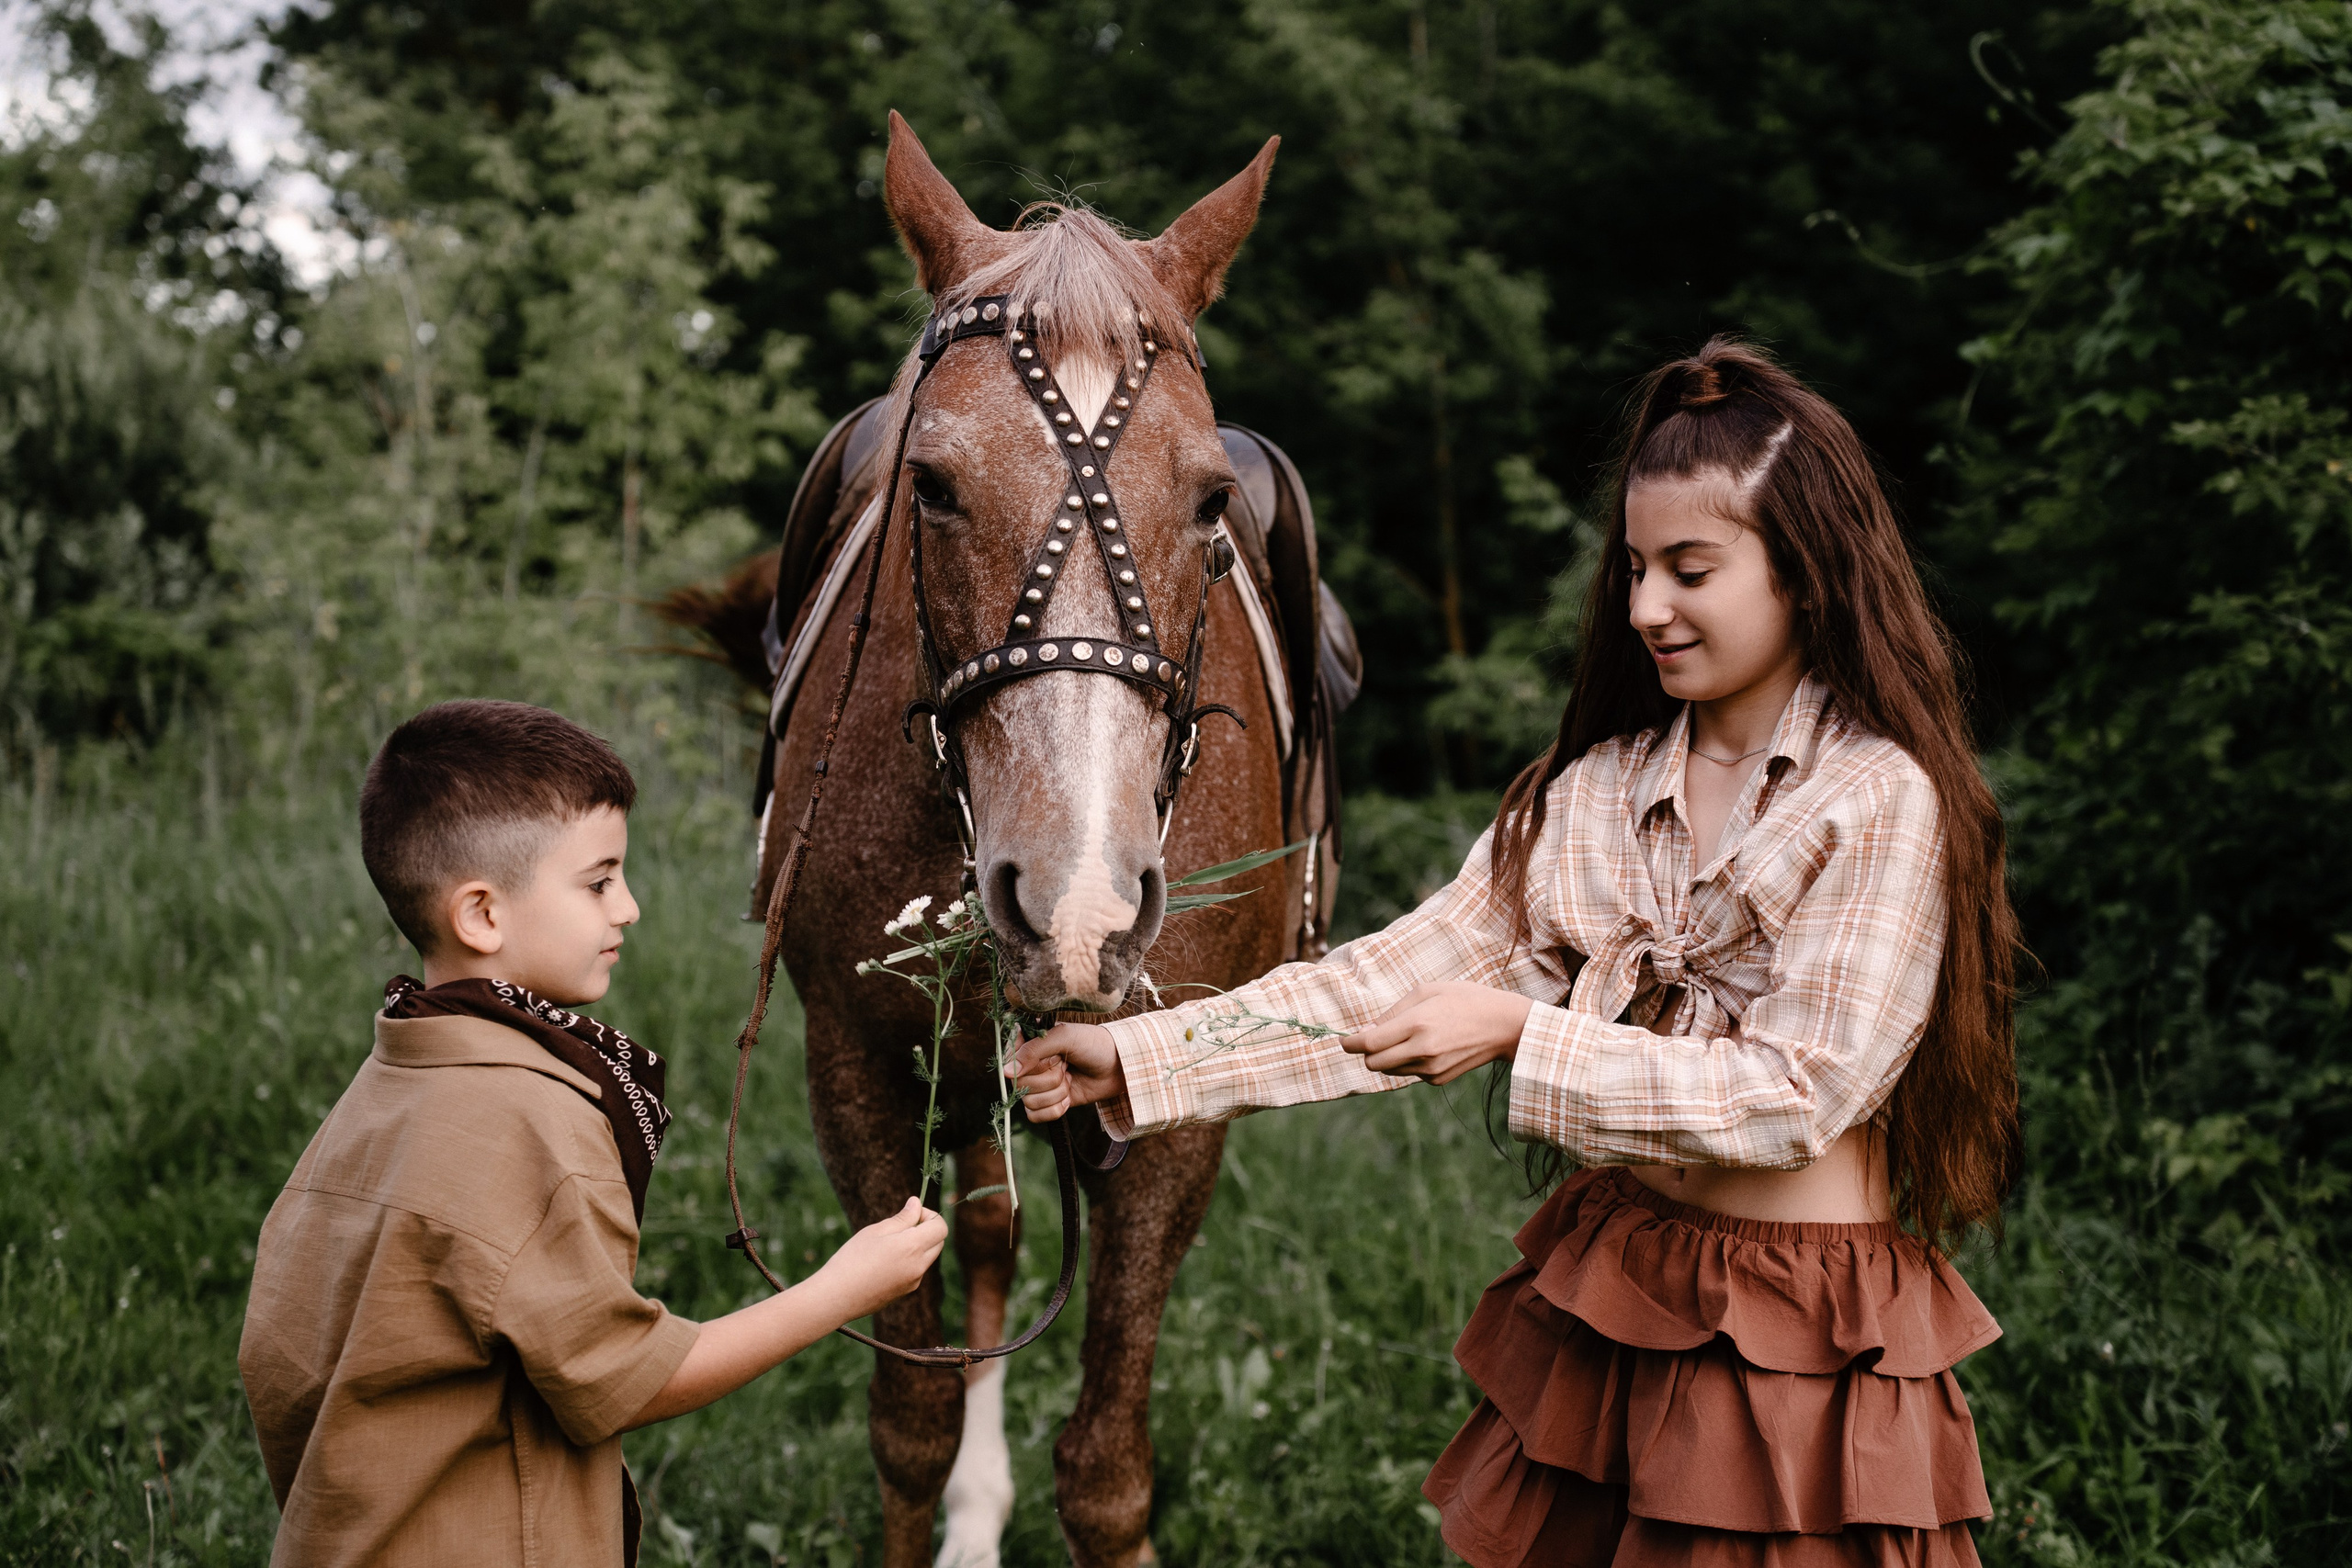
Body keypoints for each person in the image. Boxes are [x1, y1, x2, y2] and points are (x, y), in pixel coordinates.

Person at [1012, 337, 2019, 1566]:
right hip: (1626, 1281)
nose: (1647, 604)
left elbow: (1798, 1094)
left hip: (1804, 1321)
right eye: (1637, 566)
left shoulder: (1877, 801)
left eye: (1692, 568)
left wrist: (1525, 1034)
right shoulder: (1594, 792)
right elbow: (1390, 974)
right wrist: (1147, 1054)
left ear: (1803, 573)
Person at [239, 700, 946, 1567]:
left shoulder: (382, 1090)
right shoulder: (533, 1122)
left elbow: (277, 1359)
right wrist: (842, 1288)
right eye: (600, 880)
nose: (632, 907)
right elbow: (624, 1379)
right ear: (483, 916)